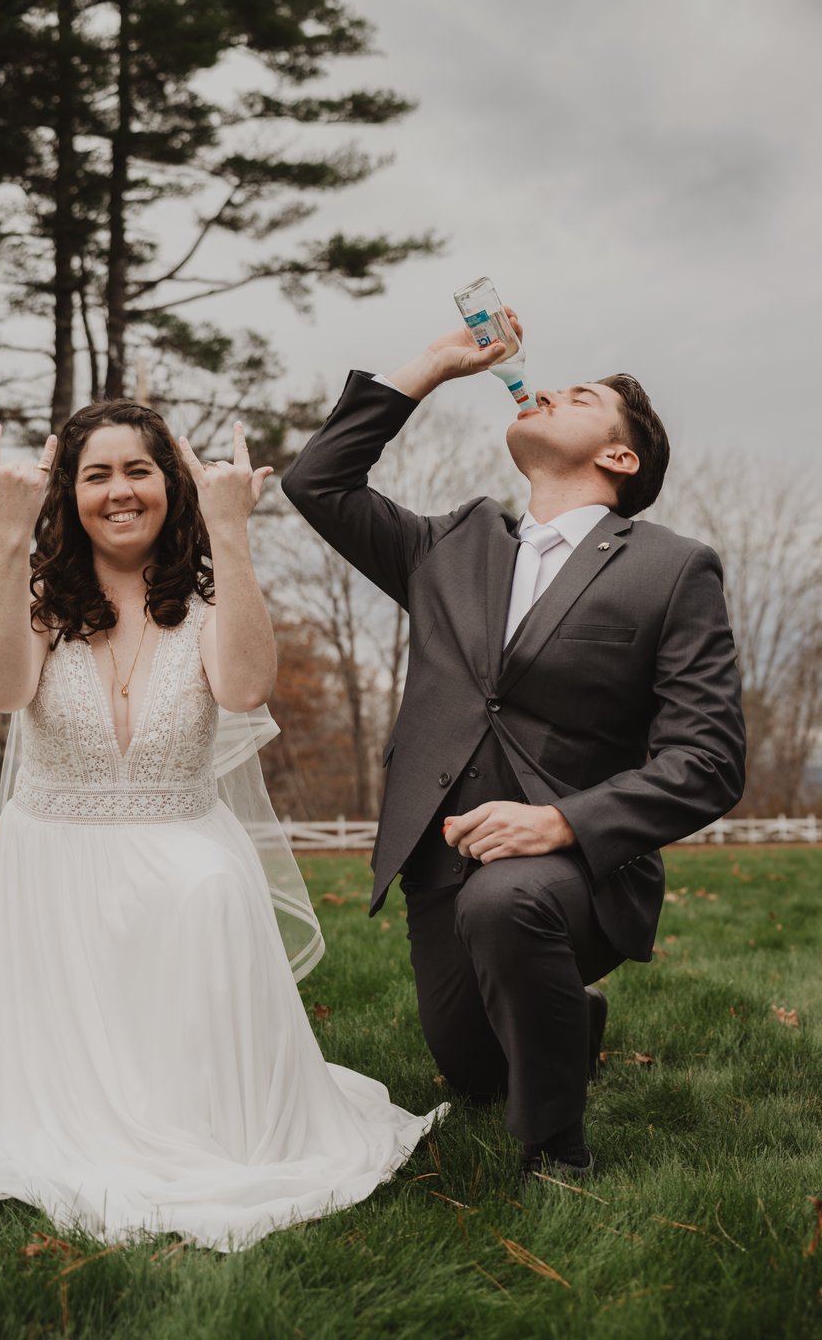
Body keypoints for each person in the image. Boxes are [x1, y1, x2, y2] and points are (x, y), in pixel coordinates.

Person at [0, 400, 442, 1250]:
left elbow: (245, 688)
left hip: (182, 843)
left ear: (172, 486)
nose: (120, 490)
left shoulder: (208, 597)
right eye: (97, 474)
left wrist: (232, 531)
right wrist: (6, 537)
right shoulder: (37, 593)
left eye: (139, 470)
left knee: (208, 886)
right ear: (71, 492)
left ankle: (206, 1116)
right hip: (52, 863)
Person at [281, 311, 746, 1183]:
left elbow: (710, 759)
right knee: (471, 1069)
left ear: (620, 458)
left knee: (507, 906)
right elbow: (318, 481)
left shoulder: (673, 569)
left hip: (576, 869)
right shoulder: (446, 548)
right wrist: (433, 366)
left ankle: (555, 1151)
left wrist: (562, 824)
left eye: (582, 397)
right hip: (439, 862)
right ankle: (572, 1012)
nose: (547, 391)